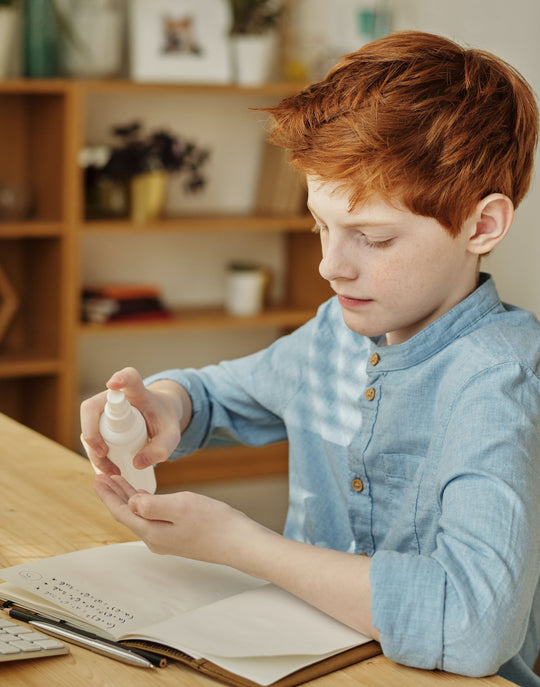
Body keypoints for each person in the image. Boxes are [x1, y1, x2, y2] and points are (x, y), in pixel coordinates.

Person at [80, 31, 540, 686]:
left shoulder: (497, 380)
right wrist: (161, 404)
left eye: (372, 237)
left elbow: (470, 624)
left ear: (482, 226)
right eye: (320, 224)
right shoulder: (338, 333)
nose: (330, 264)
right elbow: (221, 397)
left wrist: (244, 548)